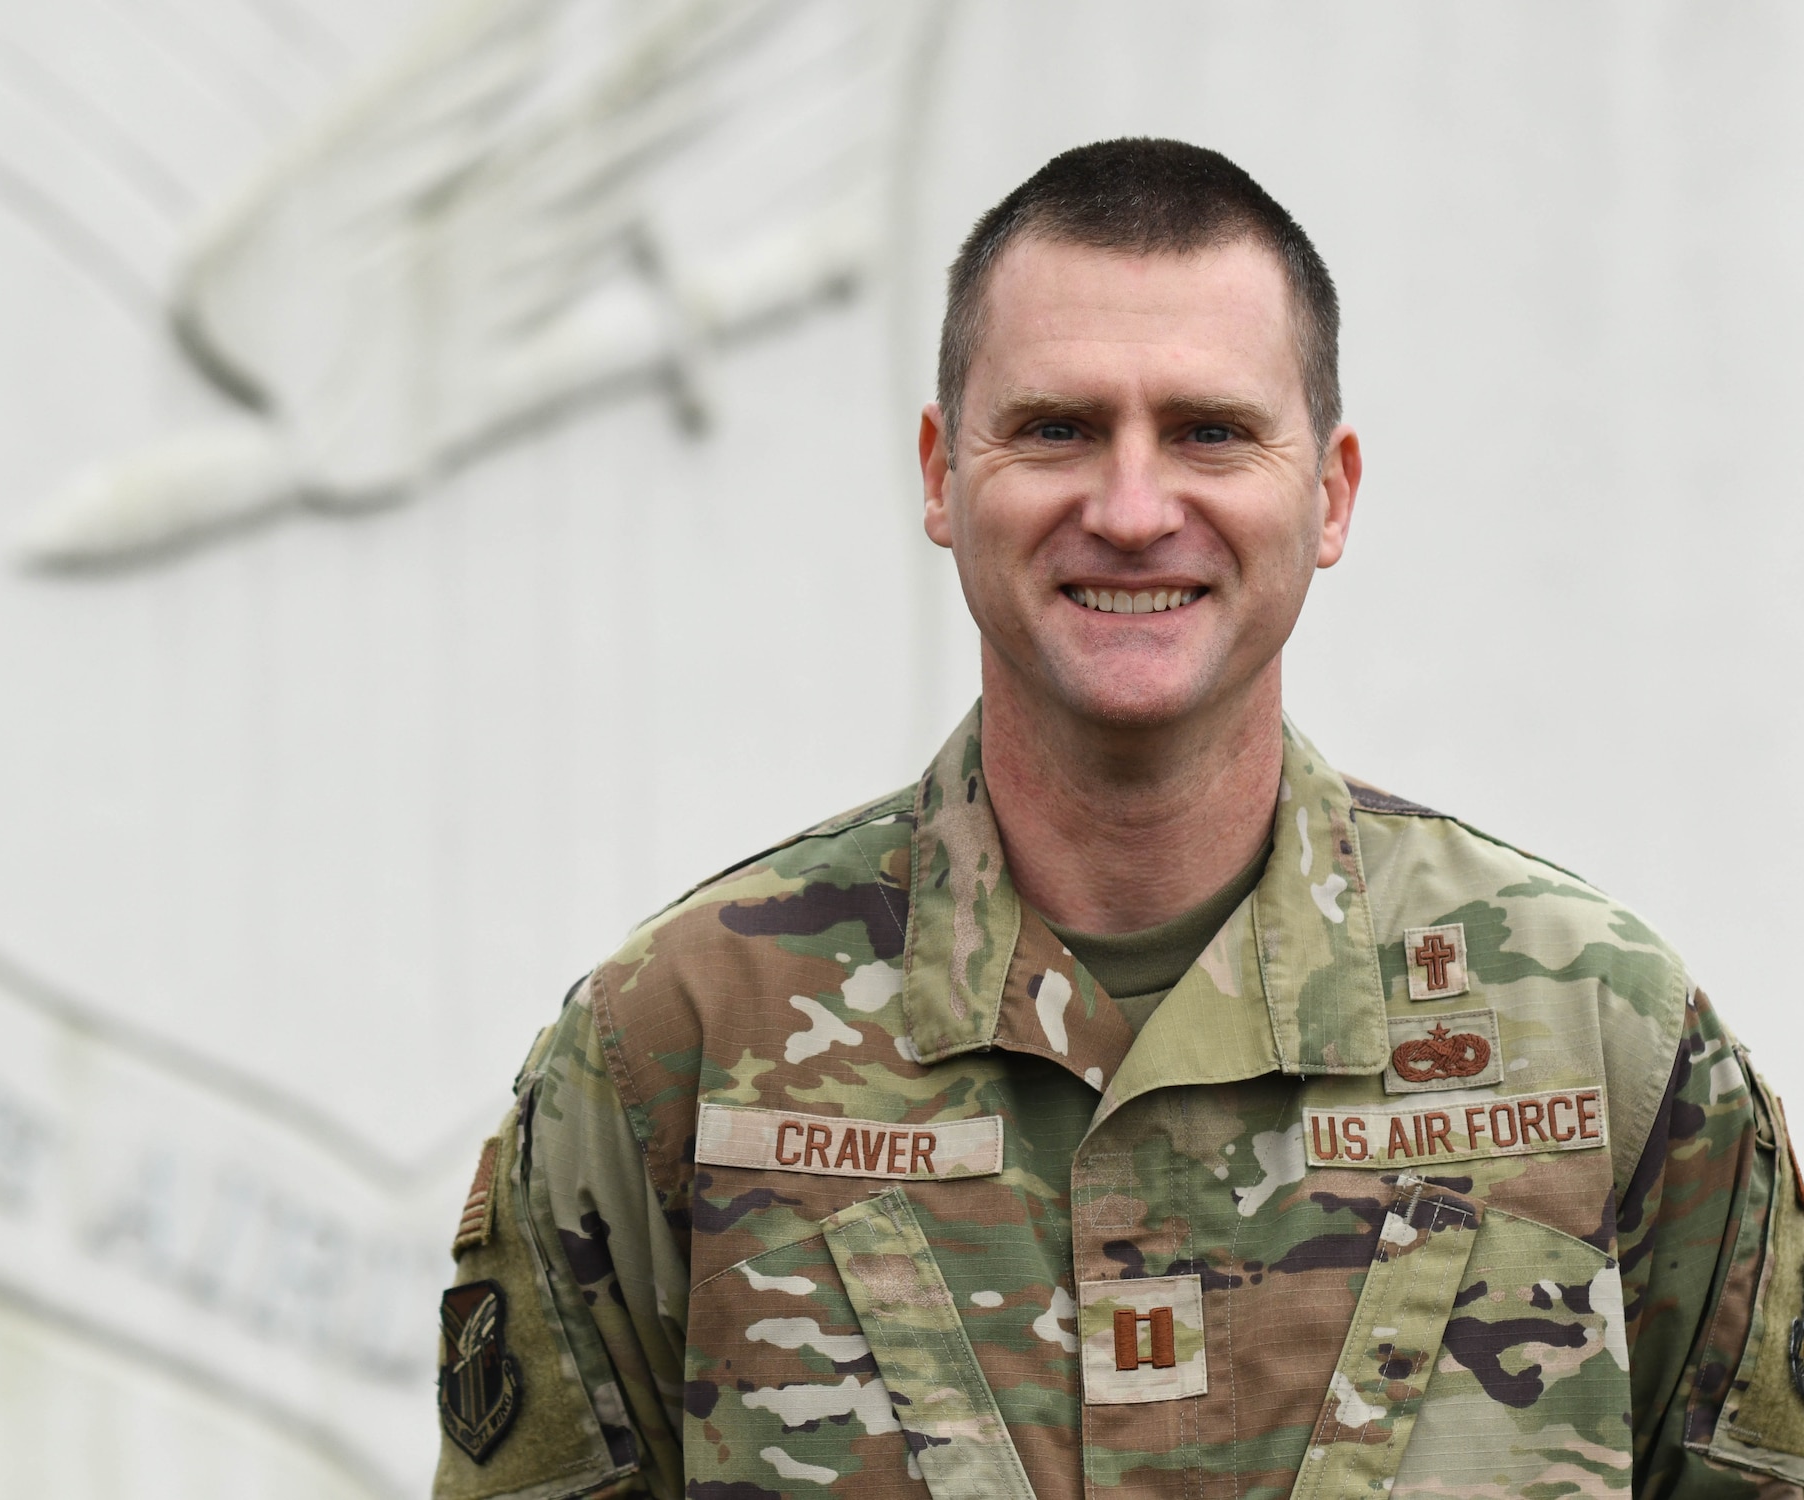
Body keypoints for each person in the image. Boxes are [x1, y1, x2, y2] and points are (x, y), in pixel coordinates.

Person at [431, 138, 1804, 1500]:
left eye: (1209, 430)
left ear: (1328, 493)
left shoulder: (1592, 1035)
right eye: (1057, 430)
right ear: (938, 476)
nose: (1135, 510)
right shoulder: (681, 1043)